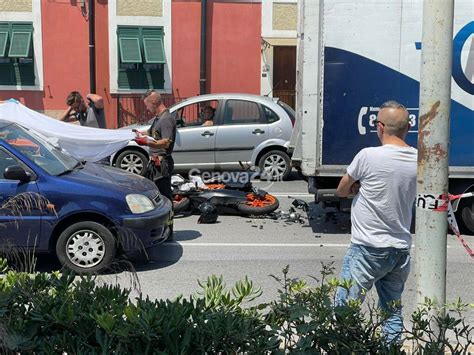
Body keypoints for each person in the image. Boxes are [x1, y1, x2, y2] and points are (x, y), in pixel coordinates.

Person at [334, 100, 417, 344]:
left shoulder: (368, 156)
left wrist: (355, 187)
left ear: (380, 127)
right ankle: (390, 349)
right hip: (400, 250)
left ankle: (345, 348)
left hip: (367, 248)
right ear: (407, 129)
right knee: (391, 311)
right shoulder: (418, 159)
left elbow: (341, 190)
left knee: (345, 308)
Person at [134, 90, 176, 238]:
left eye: (147, 105)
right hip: (155, 163)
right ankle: (159, 229)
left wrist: (145, 142)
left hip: (162, 164)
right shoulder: (159, 118)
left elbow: (166, 142)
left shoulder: (166, 119)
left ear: (154, 102)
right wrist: (142, 135)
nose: (147, 109)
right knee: (153, 196)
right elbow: (155, 135)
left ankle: (168, 231)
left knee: (164, 198)